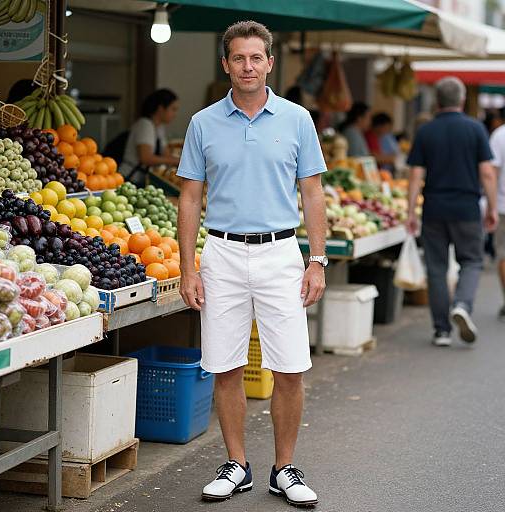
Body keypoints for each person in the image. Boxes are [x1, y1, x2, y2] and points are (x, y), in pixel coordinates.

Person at [177, 21, 327, 508]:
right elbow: (190, 198)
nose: (247, 66)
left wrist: (317, 259)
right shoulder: (203, 123)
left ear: (269, 62)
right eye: (238, 58)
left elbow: (313, 193)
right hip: (220, 253)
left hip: (282, 253)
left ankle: (284, 468)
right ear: (226, 64)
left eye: (255, 58)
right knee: (225, 366)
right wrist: (187, 267)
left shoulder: (297, 119)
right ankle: (237, 464)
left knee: (290, 368)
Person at [406, 77, 498, 347]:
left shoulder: (426, 131)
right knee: (471, 261)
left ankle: (442, 330)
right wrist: (492, 207)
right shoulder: (476, 129)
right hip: (467, 208)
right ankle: (461, 305)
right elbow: (487, 173)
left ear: (437, 101)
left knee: (436, 267)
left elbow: (415, 175)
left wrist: (410, 211)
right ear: (461, 100)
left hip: (434, 208)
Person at [119, 89, 180, 182]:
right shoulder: (145, 125)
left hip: (140, 178)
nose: (175, 114)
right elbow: (146, 158)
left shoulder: (159, 127)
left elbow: (165, 154)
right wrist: (174, 161)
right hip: (129, 178)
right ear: (161, 109)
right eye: (173, 109)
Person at [489, 121, 505, 320]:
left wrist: (490, 205)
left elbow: (490, 173)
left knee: (503, 253)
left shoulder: (500, 135)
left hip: (503, 205)